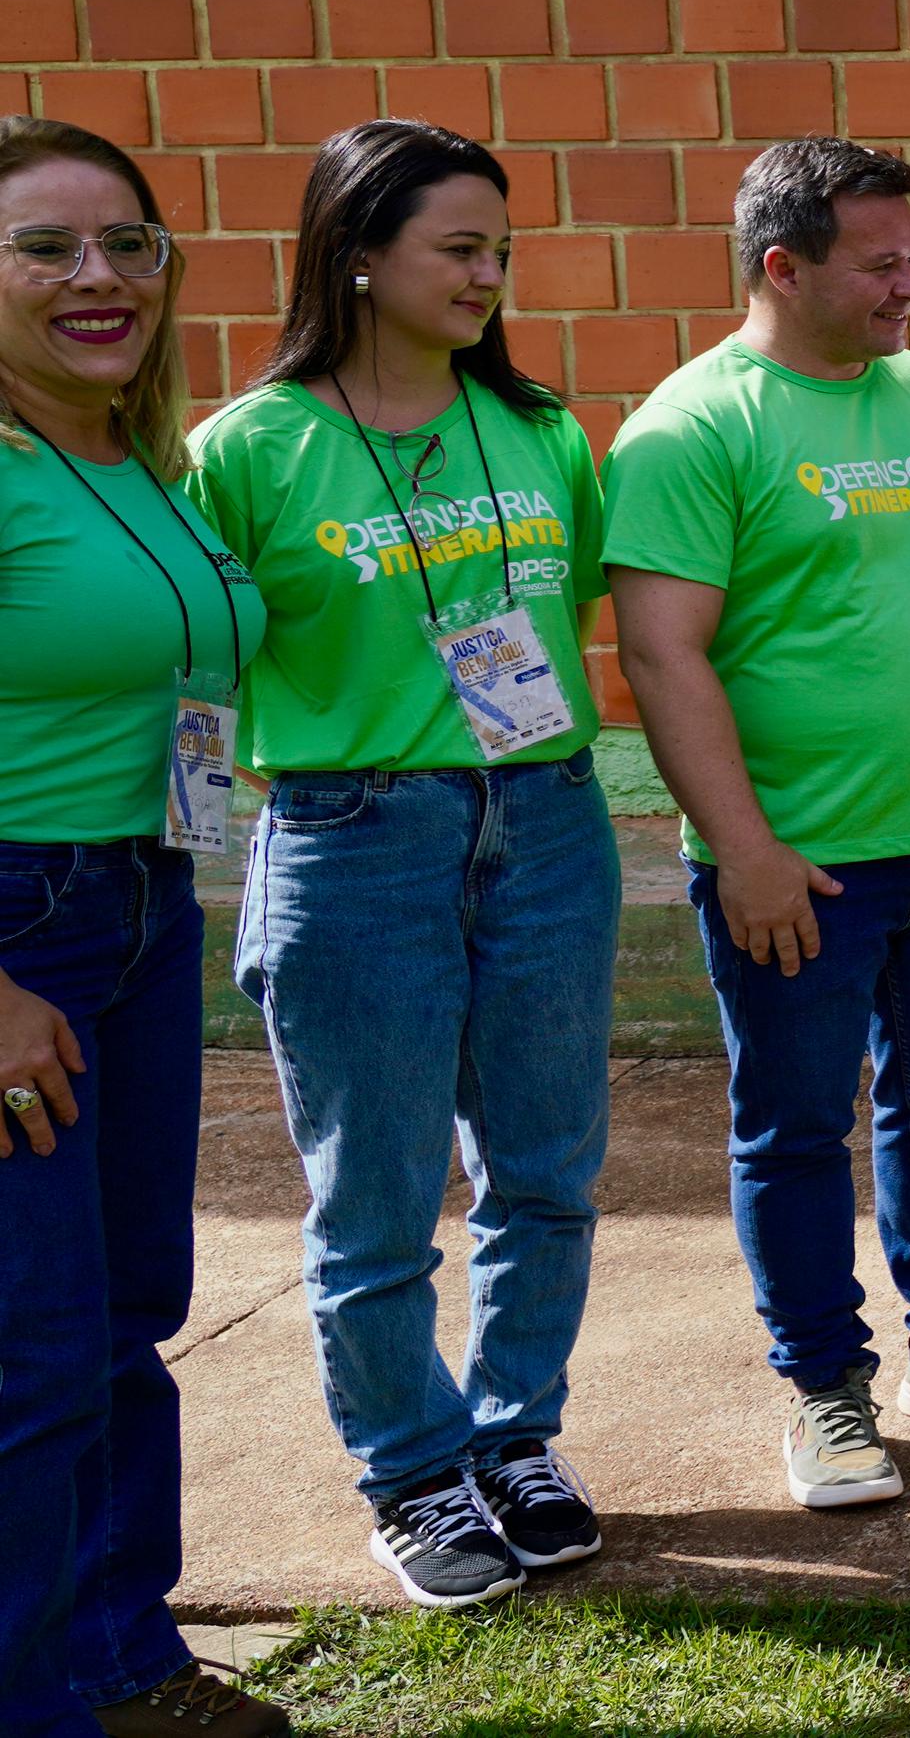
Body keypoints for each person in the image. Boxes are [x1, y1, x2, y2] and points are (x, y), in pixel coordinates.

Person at [605, 137, 910, 1514]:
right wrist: (746, 849)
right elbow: (662, 658)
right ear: (785, 267)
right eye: (881, 263)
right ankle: (825, 1386)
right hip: (800, 867)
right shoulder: (693, 429)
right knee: (797, 1130)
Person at [190, 121, 618, 1610]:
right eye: (459, 247)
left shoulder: (546, 429)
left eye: (502, 248)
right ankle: (410, 1467)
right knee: (374, 1195)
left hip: (549, 821)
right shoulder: (249, 449)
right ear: (358, 255)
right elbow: (188, 678)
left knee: (546, 1170)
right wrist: (186, 856)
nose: (491, 274)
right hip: (353, 837)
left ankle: (515, 1438)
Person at [0, 118, 287, 1738]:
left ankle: (124, 1663)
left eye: (127, 244)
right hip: (15, 925)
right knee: (29, 1351)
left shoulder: (136, 461)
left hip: (139, 904)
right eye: (45, 248)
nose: (97, 276)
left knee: (122, 1319)